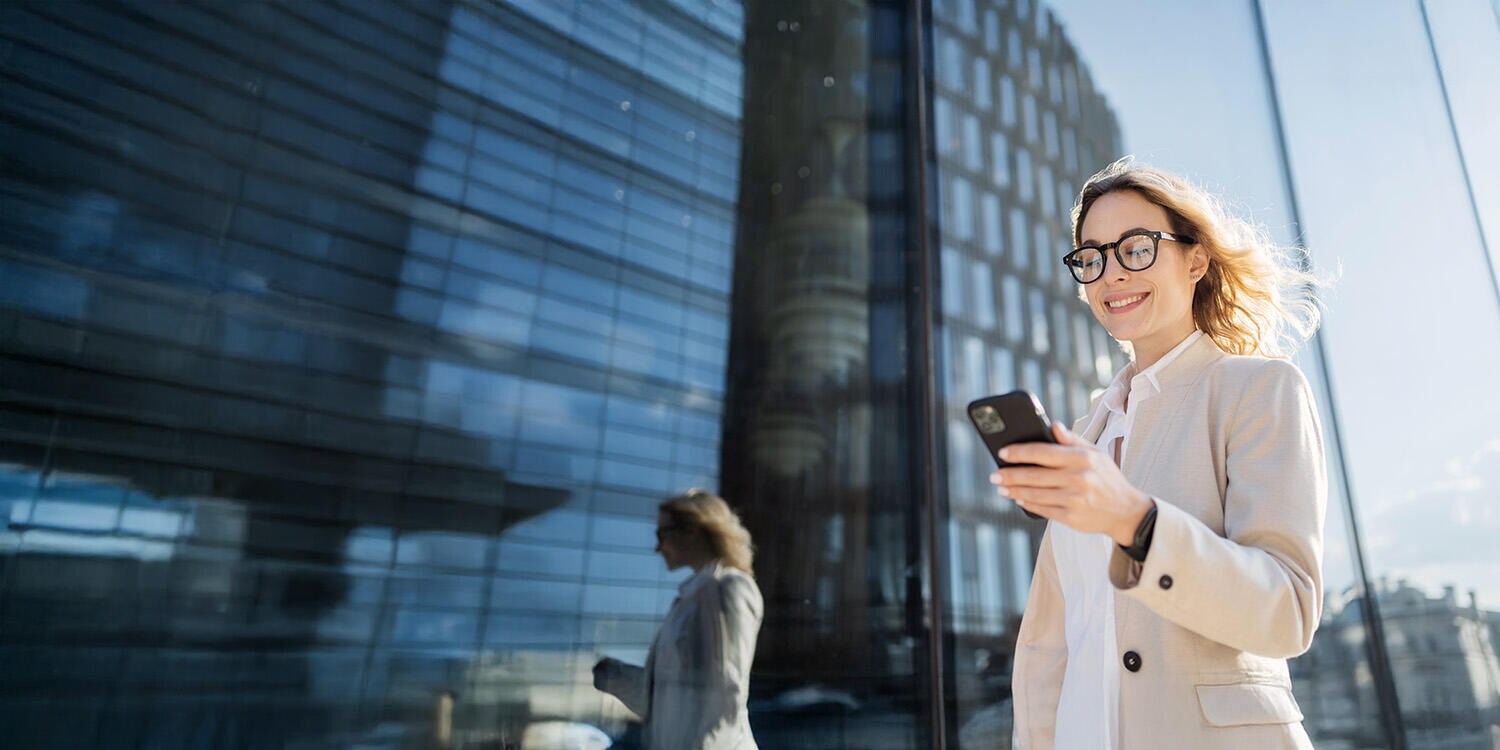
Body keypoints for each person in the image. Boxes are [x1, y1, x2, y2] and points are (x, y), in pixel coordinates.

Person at [993, 158, 1327, 748]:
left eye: (1136, 247)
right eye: (1092, 257)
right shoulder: (1085, 433)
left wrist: (1136, 523)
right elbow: (1053, 643)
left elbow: (1287, 610)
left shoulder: (1259, 389)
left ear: (1195, 260)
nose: (1111, 273)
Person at [593, 489, 764, 750]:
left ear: (692, 530)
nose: (657, 547)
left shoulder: (728, 586)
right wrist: (621, 679)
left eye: (662, 534)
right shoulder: (691, 598)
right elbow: (676, 698)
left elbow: (725, 696)